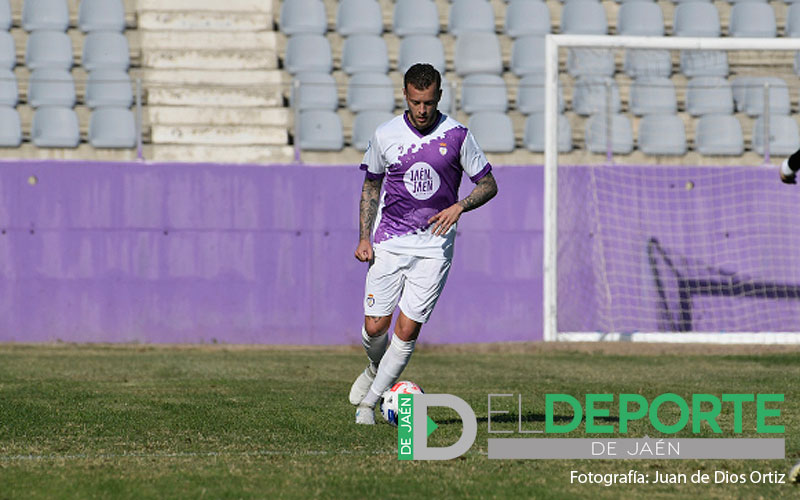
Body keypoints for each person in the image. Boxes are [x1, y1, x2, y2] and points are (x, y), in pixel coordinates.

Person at [349, 63, 498, 424]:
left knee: (408, 328)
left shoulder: (458, 135)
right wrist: (364, 237)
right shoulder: (385, 134)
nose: (422, 110)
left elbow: (489, 185)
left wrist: (460, 206)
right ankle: (375, 368)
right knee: (374, 327)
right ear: (405, 96)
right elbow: (372, 186)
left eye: (429, 102)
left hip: (434, 246)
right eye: (416, 102)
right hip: (389, 239)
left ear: (439, 98)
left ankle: (369, 405)